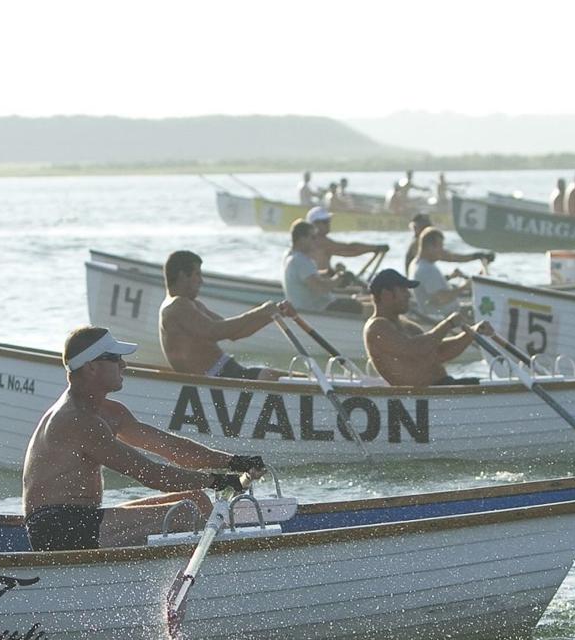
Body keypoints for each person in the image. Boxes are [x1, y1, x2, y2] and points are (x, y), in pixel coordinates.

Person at [22, 326, 265, 551]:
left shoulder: (111, 413)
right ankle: (227, 566)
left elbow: (170, 448)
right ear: (91, 367)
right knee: (184, 514)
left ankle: (221, 562)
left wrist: (233, 462)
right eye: (115, 358)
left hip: (85, 519)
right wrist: (217, 481)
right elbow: (150, 474)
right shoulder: (78, 420)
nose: (123, 365)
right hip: (56, 529)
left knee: (194, 499)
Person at [159, 250, 296, 380]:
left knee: (292, 377)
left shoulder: (192, 305)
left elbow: (234, 333)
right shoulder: (177, 305)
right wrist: (261, 311)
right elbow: (214, 331)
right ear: (183, 275)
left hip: (227, 372)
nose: (201, 281)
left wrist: (273, 313)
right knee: (289, 379)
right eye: (197, 274)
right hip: (216, 378)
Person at [362, 270, 493, 387]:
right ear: (386, 294)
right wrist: (448, 324)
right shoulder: (376, 327)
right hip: (422, 396)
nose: (408, 295)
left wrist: (472, 333)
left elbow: (439, 352)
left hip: (443, 388)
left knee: (493, 384)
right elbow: (414, 349)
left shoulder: (408, 326)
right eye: (403, 290)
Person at [282, 212, 382, 315]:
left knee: (362, 301)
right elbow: (320, 288)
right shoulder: (300, 261)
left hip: (321, 305)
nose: (315, 240)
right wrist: (339, 278)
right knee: (379, 307)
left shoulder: (291, 255)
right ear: (301, 239)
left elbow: (309, 277)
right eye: (312, 237)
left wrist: (328, 273)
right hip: (319, 309)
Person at [409, 227, 492, 314]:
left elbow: (428, 286)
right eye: (440, 246)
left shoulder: (416, 263)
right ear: (429, 247)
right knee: (486, 309)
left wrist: (450, 277)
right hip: (442, 316)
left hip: (445, 311)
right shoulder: (426, 269)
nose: (442, 250)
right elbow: (440, 299)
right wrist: (464, 287)